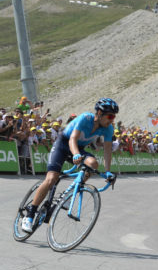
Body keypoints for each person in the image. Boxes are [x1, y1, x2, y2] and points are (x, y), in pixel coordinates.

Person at [21, 98, 119, 232]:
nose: (112, 120)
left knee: (93, 164)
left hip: (79, 148)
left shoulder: (108, 129)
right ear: (100, 113)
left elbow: (108, 150)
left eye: (114, 117)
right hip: (63, 144)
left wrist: (108, 171)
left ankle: (69, 195)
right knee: (51, 179)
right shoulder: (85, 118)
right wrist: (76, 154)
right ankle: (30, 215)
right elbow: (72, 139)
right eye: (110, 116)